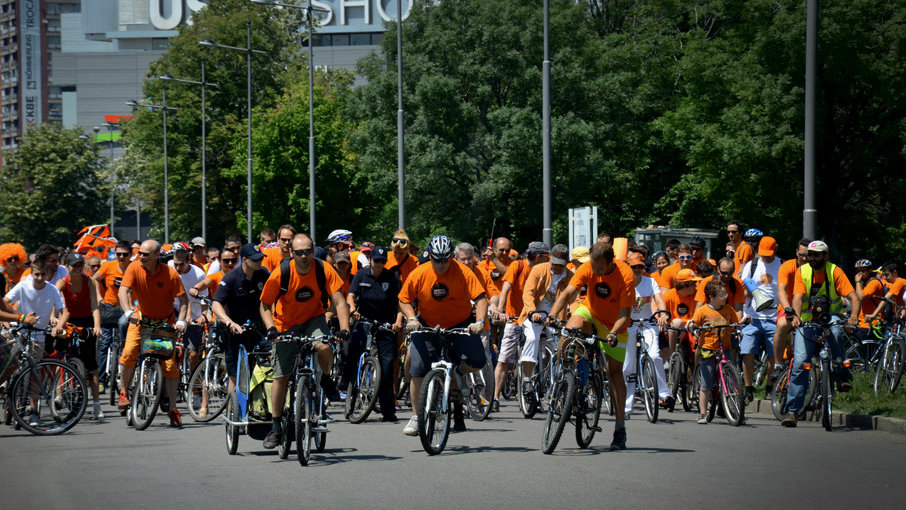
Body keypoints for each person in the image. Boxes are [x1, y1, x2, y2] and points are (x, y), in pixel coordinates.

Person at [259, 233, 350, 449]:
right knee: (281, 376)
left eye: (308, 251)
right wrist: (271, 329)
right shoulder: (281, 273)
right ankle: (276, 427)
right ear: (291, 253)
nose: (304, 256)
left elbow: (339, 302)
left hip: (313, 319)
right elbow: (264, 305)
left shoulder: (323, 269)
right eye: (299, 252)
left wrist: (345, 329)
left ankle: (325, 379)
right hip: (285, 324)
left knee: (324, 345)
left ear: (313, 250)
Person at [398, 235, 487, 436]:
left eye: (445, 259)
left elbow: (481, 298)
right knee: (417, 369)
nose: (440, 264)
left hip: (461, 323)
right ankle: (416, 416)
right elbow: (404, 299)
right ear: (429, 257)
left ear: (451, 257)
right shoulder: (419, 273)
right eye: (436, 260)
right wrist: (411, 318)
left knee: (478, 360)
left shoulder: (463, 272)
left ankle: (457, 369)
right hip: (427, 324)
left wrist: (479, 322)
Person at [548, 241, 633, 450]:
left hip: (615, 325)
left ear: (611, 261)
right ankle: (566, 380)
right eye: (593, 266)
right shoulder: (589, 266)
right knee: (570, 329)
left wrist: (613, 333)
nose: (595, 271)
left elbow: (625, 314)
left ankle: (620, 427)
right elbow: (568, 292)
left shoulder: (626, 275)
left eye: (599, 268)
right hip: (591, 313)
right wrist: (551, 315)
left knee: (614, 372)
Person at [782, 240, 859, 427]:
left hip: (831, 316)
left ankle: (842, 375)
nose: (812, 258)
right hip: (807, 320)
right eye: (810, 254)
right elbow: (797, 297)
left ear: (825, 255)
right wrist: (797, 318)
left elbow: (853, 297)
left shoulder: (835, 271)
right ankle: (792, 412)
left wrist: (854, 316)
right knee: (801, 362)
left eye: (816, 255)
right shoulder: (804, 271)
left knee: (837, 331)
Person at [117, 240, 189, 428]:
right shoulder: (134, 268)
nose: (141, 256)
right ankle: (123, 392)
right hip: (140, 320)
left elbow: (184, 301)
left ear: (157, 255)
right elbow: (123, 291)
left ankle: (173, 409)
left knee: (170, 366)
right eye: (140, 253)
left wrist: (181, 321)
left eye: (145, 254)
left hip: (164, 324)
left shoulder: (170, 274)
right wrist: (127, 312)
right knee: (129, 352)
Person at [346, 245, 404, 422]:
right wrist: (353, 309)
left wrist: (398, 321)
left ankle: (388, 411)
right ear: (370, 260)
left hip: (385, 324)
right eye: (376, 260)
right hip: (364, 320)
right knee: (352, 350)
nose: (378, 264)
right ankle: (349, 389)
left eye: (382, 261)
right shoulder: (361, 275)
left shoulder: (392, 277)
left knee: (387, 366)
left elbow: (401, 302)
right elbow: (350, 295)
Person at [211, 243, 272, 399]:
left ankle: (266, 405)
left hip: (259, 329)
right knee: (235, 374)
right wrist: (229, 322)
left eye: (261, 258)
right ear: (244, 260)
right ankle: (233, 412)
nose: (260, 262)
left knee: (271, 359)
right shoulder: (231, 278)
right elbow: (216, 304)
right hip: (236, 331)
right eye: (256, 259)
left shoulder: (263, 274)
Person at [492, 242, 549, 405]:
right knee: (505, 358)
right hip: (514, 317)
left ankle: (535, 388)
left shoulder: (545, 271)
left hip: (534, 318)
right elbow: (506, 288)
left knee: (543, 352)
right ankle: (495, 397)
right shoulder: (518, 266)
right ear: (539, 257)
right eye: (546, 257)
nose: (548, 260)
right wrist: (501, 309)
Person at [519, 244, 572, 404]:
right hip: (535, 314)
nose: (557, 267)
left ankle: (557, 383)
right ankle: (527, 380)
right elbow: (527, 293)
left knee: (560, 346)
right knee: (533, 339)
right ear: (550, 259)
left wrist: (575, 316)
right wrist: (531, 311)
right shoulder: (539, 270)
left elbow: (574, 298)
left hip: (556, 317)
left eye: (560, 265)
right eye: (554, 263)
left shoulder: (569, 276)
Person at [623, 251, 672, 415]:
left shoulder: (650, 281)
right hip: (629, 324)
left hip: (647, 323)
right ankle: (627, 404)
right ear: (628, 267)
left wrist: (663, 312)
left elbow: (659, 299)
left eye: (640, 267)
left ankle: (664, 393)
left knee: (654, 355)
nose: (637, 270)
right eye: (634, 267)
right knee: (628, 366)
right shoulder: (623, 283)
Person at [56, 253, 103, 419]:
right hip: (68, 320)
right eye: (74, 265)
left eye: (80, 265)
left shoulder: (89, 281)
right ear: (68, 267)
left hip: (86, 321)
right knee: (61, 356)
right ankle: (59, 394)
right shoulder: (62, 283)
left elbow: (95, 306)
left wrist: (97, 326)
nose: (77, 268)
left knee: (91, 364)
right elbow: (53, 301)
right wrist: (54, 319)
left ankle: (96, 404)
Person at [454, 242, 500, 411]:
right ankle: (463, 396)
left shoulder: (482, 273)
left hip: (481, 325)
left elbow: (493, 295)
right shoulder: (453, 274)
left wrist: (493, 306)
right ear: (456, 259)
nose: (466, 263)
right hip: (459, 324)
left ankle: (486, 399)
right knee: (460, 359)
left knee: (484, 360)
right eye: (462, 260)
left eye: (469, 259)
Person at [687, 280, 738, 424]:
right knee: (706, 383)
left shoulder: (728, 309)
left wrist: (741, 326)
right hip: (708, 349)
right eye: (721, 295)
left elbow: (735, 324)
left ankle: (735, 409)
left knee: (732, 379)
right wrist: (693, 328)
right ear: (711, 297)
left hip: (725, 348)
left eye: (725, 294)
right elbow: (693, 324)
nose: (725, 297)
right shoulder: (703, 310)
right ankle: (703, 413)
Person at [739, 236, 781, 401]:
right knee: (747, 352)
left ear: (775, 249)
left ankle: (769, 387)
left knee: (773, 355)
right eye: (762, 253)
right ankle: (748, 388)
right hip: (753, 317)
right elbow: (743, 289)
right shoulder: (752, 265)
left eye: (769, 253)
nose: (765, 257)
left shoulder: (781, 265)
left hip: (773, 318)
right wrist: (749, 293)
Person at [93, 240, 133, 388]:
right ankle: (101, 380)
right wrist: (98, 296)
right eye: (118, 254)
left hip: (127, 308)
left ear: (131, 255)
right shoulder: (108, 266)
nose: (121, 257)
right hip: (109, 306)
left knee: (127, 342)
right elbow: (95, 279)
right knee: (104, 343)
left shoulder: (134, 267)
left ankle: (125, 375)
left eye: (125, 254)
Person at [770, 238, 810, 379]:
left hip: (808, 309)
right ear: (796, 253)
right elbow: (781, 289)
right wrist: (788, 308)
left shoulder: (814, 268)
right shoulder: (787, 266)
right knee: (781, 324)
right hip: (789, 307)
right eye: (801, 255)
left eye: (808, 255)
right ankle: (778, 364)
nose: (804, 258)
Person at [170, 248, 208, 373]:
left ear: (188, 261)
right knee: (168, 348)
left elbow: (204, 299)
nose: (178, 268)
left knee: (193, 354)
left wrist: (203, 315)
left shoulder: (198, 274)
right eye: (176, 264)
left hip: (193, 313)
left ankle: (193, 383)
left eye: (181, 264)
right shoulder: (169, 269)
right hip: (174, 309)